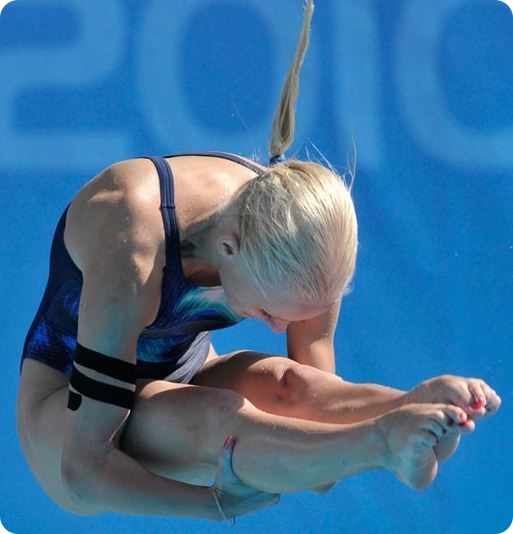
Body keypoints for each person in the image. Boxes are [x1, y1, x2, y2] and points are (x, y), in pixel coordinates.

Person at [16, 0, 500, 522]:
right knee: (218, 418)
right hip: (67, 415)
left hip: (183, 373)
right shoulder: (133, 242)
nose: (277, 329)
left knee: (285, 385)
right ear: (228, 247)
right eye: (269, 312)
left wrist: (351, 437)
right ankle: (385, 441)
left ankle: (406, 406)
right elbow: (83, 472)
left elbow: (312, 425)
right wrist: (213, 505)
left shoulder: (304, 229)